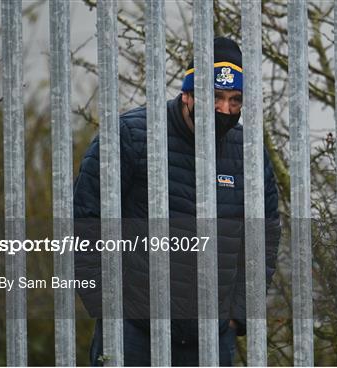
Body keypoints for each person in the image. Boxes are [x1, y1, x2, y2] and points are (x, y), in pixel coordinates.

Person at [73, 37, 281, 366]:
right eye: (215, 97)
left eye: (235, 100)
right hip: (134, 333)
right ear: (188, 93)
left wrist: (237, 315)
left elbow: (263, 238)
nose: (225, 110)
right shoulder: (131, 136)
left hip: (211, 339)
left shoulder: (248, 154)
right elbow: (86, 221)